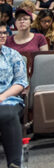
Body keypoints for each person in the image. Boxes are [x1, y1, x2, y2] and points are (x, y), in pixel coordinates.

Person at [0, 23, 29, 167]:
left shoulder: (12, 55)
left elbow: (21, 82)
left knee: (7, 115)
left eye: (4, 33)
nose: (3, 36)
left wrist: (2, 96)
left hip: (8, 99)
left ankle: (14, 163)